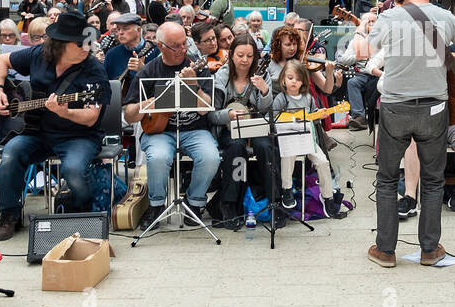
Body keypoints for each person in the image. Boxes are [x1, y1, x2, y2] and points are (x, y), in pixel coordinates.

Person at [366, 0, 455, 268]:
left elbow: (366, 53)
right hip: (434, 107)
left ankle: (386, 250)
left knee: (387, 177)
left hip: (395, 106)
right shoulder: (446, 18)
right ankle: (430, 250)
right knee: (433, 181)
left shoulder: (388, 16)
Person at [0, 13, 112, 240]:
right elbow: (1, 61)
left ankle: (80, 213)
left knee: (73, 170)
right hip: (37, 132)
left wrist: (65, 112)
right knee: (10, 154)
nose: (87, 47)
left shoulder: (94, 71)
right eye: (80, 43)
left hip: (79, 136)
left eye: (88, 41)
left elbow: (91, 117)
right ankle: (9, 215)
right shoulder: (39, 55)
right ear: (61, 44)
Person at [122, 21, 220, 229]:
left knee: (211, 156)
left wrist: (194, 85)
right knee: (158, 157)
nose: (183, 50)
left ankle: (194, 202)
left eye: (185, 44)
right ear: (161, 47)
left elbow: (205, 109)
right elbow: (129, 116)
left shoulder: (196, 67)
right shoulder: (148, 72)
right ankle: (156, 204)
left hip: (195, 129)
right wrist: (145, 105)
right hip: (159, 131)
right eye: (176, 46)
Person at [210, 33, 280, 231]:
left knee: (265, 146)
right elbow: (212, 115)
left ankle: (275, 201)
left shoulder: (261, 74)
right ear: (231, 54)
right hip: (228, 129)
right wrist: (229, 115)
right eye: (240, 55)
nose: (245, 60)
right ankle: (229, 204)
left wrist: (265, 91)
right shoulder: (221, 77)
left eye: (250, 56)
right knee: (235, 148)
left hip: (255, 126)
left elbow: (266, 111)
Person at [272, 59, 348, 218]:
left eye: (298, 79)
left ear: (303, 82)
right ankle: (287, 190)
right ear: (283, 80)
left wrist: (321, 114)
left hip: (308, 140)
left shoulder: (308, 98)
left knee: (323, 162)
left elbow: (314, 116)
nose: (294, 82)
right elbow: (273, 119)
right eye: (290, 78)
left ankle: (327, 196)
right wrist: (290, 119)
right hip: (290, 141)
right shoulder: (281, 98)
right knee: (287, 158)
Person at [339, 12, 380, 130]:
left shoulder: (382, 40)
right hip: (362, 75)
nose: (371, 24)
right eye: (368, 22)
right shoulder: (355, 42)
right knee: (352, 82)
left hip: (377, 75)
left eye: (373, 22)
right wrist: (358, 56)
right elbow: (344, 59)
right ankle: (359, 117)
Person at [103, 12, 156, 86]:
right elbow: (104, 85)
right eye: (118, 29)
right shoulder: (111, 55)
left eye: (125, 28)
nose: (120, 32)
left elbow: (162, 84)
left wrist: (143, 70)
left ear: (138, 30)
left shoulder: (155, 51)